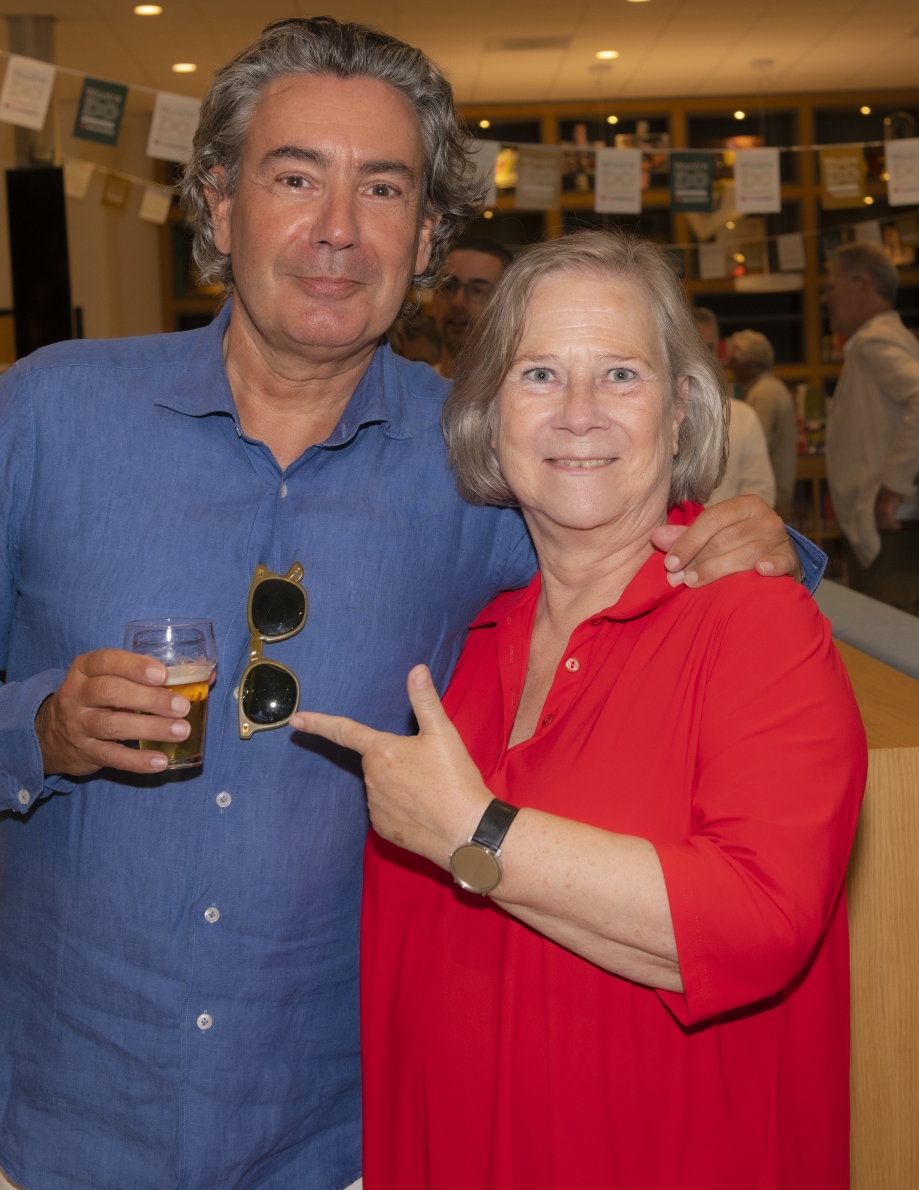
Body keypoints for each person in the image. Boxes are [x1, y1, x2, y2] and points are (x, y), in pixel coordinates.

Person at [0, 19, 817, 1190]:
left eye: (384, 189)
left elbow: (639, 538)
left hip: (337, 1134)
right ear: (219, 205)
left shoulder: (480, 459)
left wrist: (755, 536)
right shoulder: (50, 416)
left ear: (427, 237)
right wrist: (38, 728)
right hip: (69, 1112)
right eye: (296, 177)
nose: (339, 229)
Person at [293, 232, 866, 1189]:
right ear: (488, 417)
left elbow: (762, 919)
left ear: (681, 413)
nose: (577, 413)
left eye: (620, 375)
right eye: (539, 374)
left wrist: (476, 832)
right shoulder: (464, 646)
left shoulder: (754, 628)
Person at [823, 241, 919, 614]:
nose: (825, 298)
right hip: (889, 529)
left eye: (831, 286)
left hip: (889, 532)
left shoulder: (876, 341)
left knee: (894, 643)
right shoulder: (885, 339)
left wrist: (894, 489)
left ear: (862, 285)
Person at [692, 308, 776, 508]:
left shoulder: (743, 417)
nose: (700, 356)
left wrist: (715, 526)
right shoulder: (653, 417)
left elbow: (760, 497)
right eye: (692, 345)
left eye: (708, 347)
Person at [729, 329, 798, 520]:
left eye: (734, 360)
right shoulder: (770, 386)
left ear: (747, 363)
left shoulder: (763, 394)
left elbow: (754, 450)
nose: (730, 365)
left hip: (770, 494)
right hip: (777, 488)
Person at [430, 236, 512, 375]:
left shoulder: (519, 388)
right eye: (449, 286)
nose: (458, 301)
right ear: (434, 297)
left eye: (478, 291)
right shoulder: (409, 386)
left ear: (506, 307)